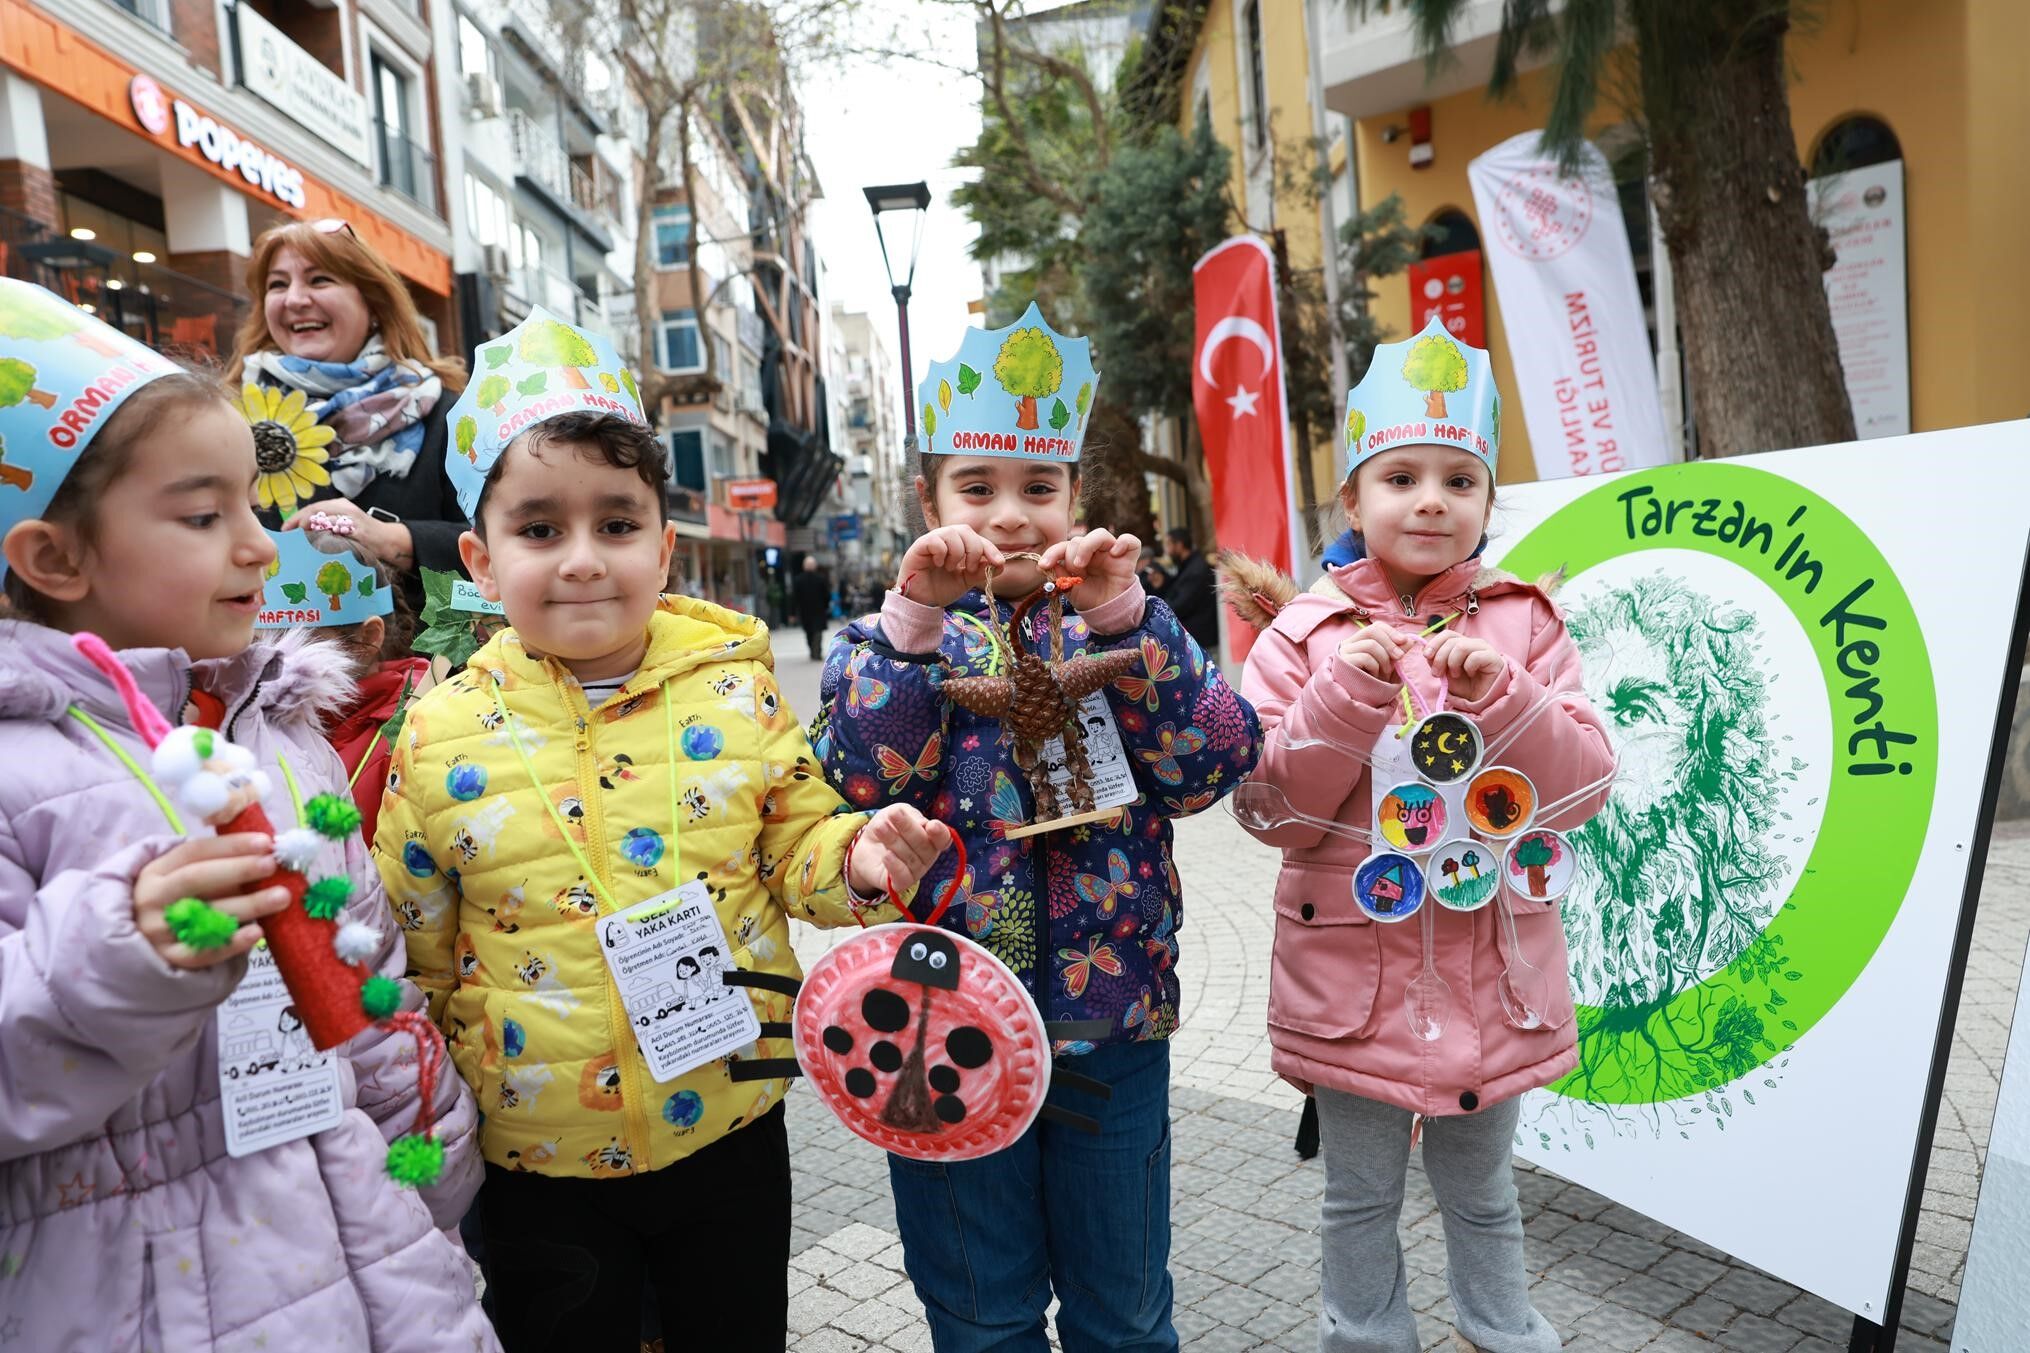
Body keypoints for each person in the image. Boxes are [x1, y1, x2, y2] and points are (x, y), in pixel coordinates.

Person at [375, 309, 952, 1353]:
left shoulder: (737, 688)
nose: (584, 559)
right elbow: (413, 946)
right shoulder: (435, 730)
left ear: (666, 546)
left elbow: (797, 849)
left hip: (728, 1123)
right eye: (540, 529)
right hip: (531, 1154)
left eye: (617, 523)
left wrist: (862, 858)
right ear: (480, 558)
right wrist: (430, 1105)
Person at [0, 278, 493, 1350]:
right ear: (54, 558)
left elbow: (367, 982)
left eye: (251, 507)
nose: (261, 546)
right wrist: (121, 946)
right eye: (201, 515)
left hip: (378, 1251)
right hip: (147, 1294)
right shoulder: (14, 773)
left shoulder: (274, 730)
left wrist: (435, 1171)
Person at [815, 304, 1262, 1352]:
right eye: (976, 489)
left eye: (1036, 488)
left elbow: (1213, 763)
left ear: (1074, 496)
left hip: (1109, 1020)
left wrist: (1128, 621)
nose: (1009, 517)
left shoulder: (1112, 623)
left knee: (1125, 1315)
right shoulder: (882, 639)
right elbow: (859, 768)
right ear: (927, 501)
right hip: (940, 1026)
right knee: (980, 1315)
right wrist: (912, 623)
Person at [1226, 318, 1614, 1353]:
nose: (1431, 499)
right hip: (1348, 985)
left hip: (1494, 976)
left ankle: (1506, 1334)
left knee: (1483, 1198)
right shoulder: (1300, 638)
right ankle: (1364, 1339)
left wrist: (1509, 700)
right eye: (1399, 477)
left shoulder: (1525, 625)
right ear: (1350, 500)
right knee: (1357, 1201)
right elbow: (1270, 810)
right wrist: (1346, 697)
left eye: (1458, 478)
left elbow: (1579, 794)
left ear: (1487, 502)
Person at [226, 218, 470, 598]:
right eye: (277, 284)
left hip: (418, 654)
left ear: (373, 301)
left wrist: (392, 539)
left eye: (319, 279)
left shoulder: (448, 416)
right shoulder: (229, 417)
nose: (294, 299)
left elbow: (505, 540)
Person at [255, 521, 429, 842]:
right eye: (260, 640)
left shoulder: (419, 722)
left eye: (299, 638)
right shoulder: (249, 721)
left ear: (367, 639)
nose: (273, 657)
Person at [1162, 526, 1220, 655]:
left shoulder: (1195, 570)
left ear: (1179, 545)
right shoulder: (1188, 566)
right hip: (1197, 641)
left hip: (1201, 644)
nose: (1167, 551)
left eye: (1168, 545)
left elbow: (1180, 605)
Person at [792, 554, 831, 660]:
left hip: (805, 611)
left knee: (809, 632)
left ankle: (813, 650)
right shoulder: (821, 578)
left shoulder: (798, 579)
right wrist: (826, 606)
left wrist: (793, 612)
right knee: (818, 632)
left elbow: (795, 597)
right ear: (814, 566)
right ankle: (816, 651)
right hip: (819, 610)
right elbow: (827, 595)